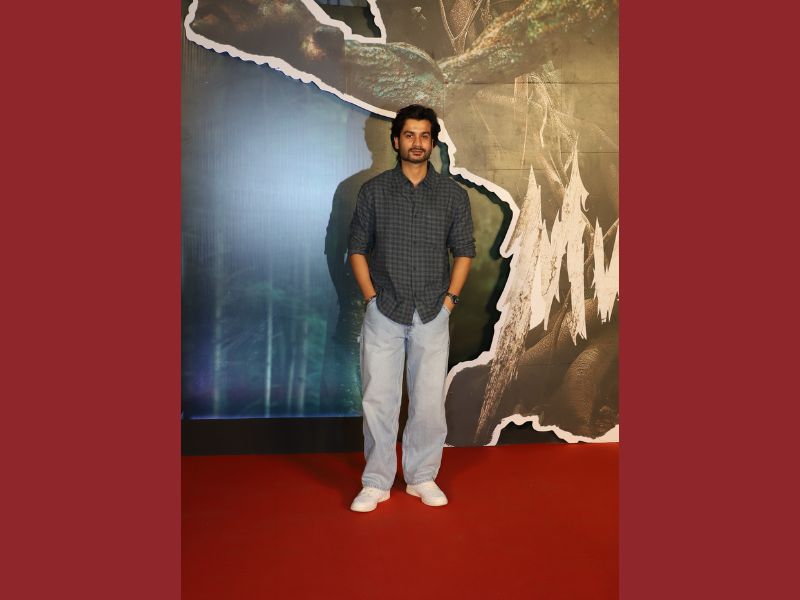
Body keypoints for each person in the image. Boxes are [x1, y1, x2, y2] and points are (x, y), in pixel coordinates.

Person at [347, 104, 475, 512]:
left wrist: (449, 301)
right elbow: (356, 249)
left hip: (433, 313)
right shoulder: (374, 192)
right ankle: (376, 481)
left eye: (424, 136)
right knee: (378, 400)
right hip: (384, 311)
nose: (416, 143)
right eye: (409, 135)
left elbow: (465, 251)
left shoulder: (453, 195)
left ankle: (421, 477)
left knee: (428, 403)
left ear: (433, 142)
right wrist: (371, 299)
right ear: (395, 141)